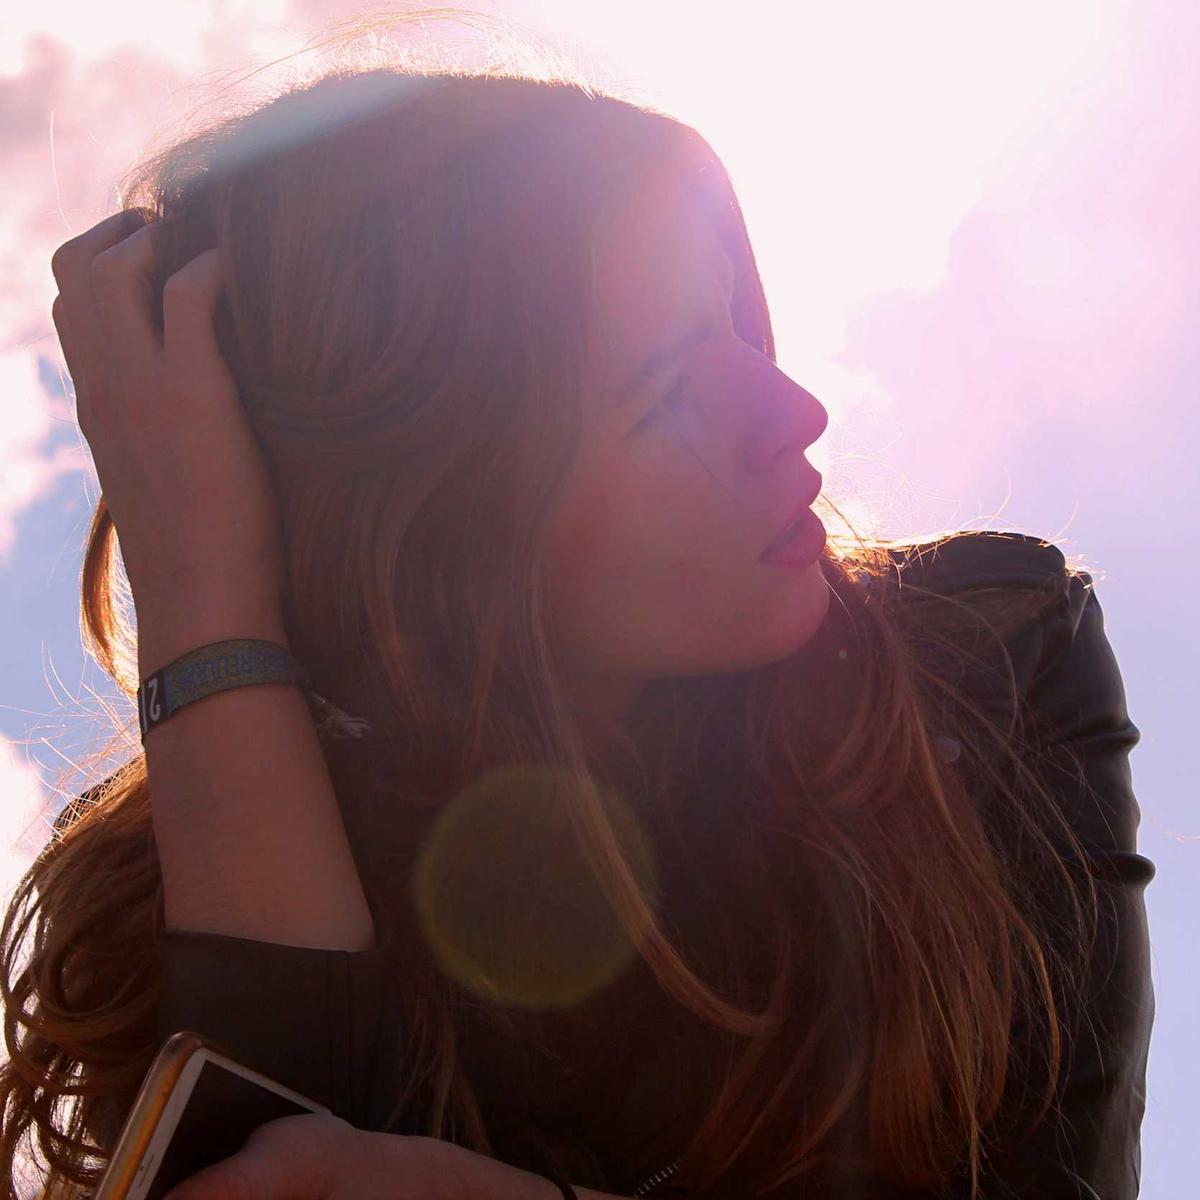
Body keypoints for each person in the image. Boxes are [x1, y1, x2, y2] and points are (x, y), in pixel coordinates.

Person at [0, 21, 1154, 1200]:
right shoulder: (177, 861)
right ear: (428, 543)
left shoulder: (989, 663)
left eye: (733, 324)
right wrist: (204, 600)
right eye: (660, 398)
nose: (792, 413)